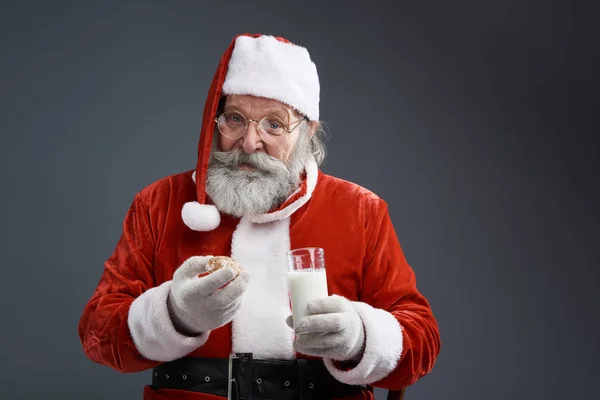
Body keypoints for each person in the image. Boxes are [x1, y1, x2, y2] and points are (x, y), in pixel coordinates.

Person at [78, 33, 441, 400]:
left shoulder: (360, 209)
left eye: (274, 124)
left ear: (307, 133)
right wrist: (175, 314)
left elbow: (422, 340)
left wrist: (359, 338)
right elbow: (97, 333)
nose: (250, 142)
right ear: (213, 122)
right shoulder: (159, 202)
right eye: (234, 119)